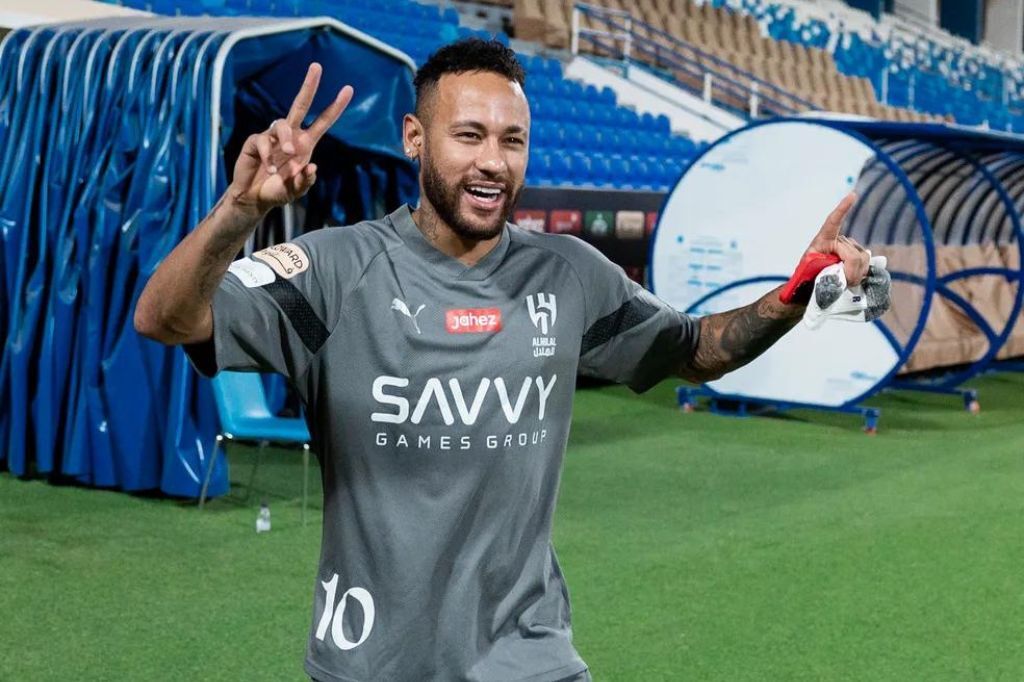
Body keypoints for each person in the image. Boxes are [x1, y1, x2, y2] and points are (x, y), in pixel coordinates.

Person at [134, 39, 870, 682]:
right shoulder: (336, 269)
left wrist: (794, 294)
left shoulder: (569, 274)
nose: (493, 162)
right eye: (470, 136)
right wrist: (238, 210)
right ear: (415, 138)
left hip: (531, 656)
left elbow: (695, 350)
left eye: (512, 140)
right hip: (375, 661)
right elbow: (164, 318)